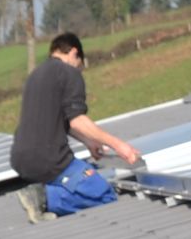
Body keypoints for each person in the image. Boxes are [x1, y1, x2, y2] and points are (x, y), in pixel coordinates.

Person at [9, 32, 143, 222]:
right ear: (73, 52)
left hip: (21, 159)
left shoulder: (35, 75)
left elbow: (61, 118)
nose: (79, 70)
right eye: (80, 65)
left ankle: (44, 204)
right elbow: (76, 120)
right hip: (50, 159)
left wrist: (89, 142)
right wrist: (119, 145)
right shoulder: (68, 72)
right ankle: (44, 197)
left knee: (79, 183)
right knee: (104, 194)